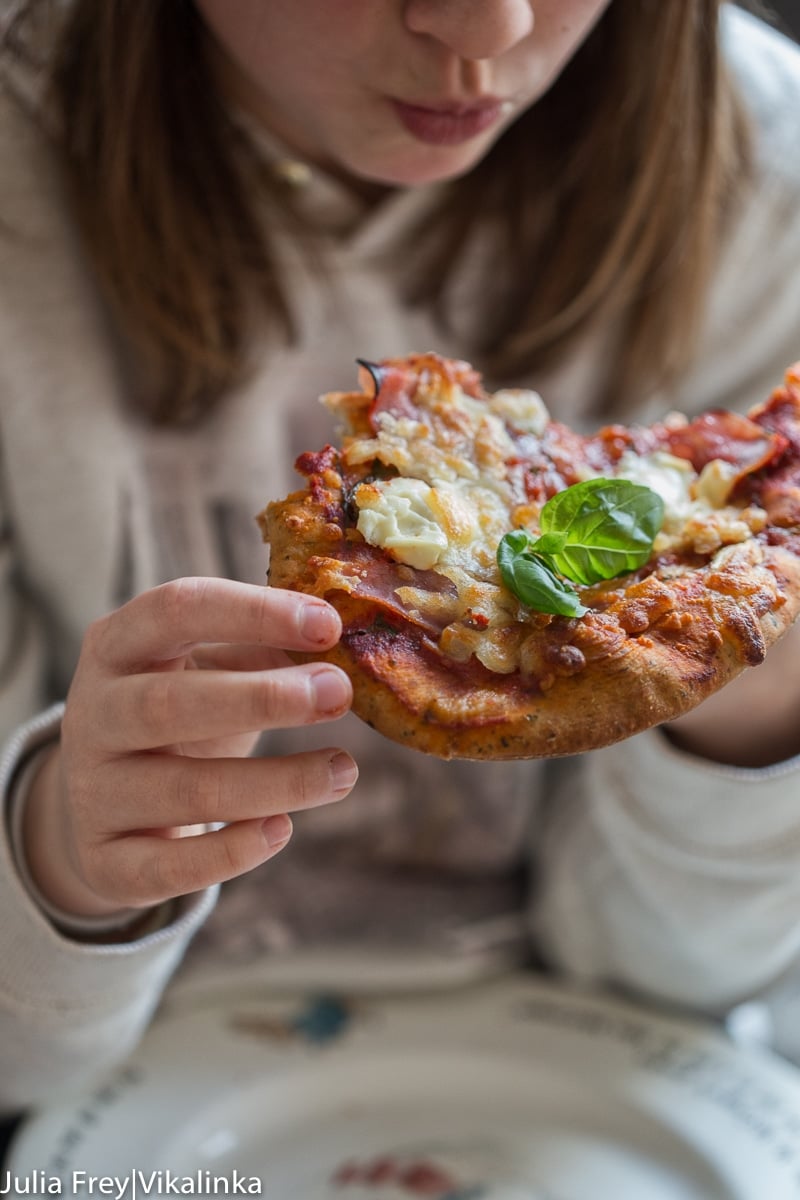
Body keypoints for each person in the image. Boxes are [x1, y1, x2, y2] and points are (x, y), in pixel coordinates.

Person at [1, 0, 799, 1114]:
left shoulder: (761, 166)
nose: (485, 26)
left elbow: (682, 991)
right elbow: (18, 1066)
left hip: (606, 1081)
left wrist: (747, 715)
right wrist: (58, 854)